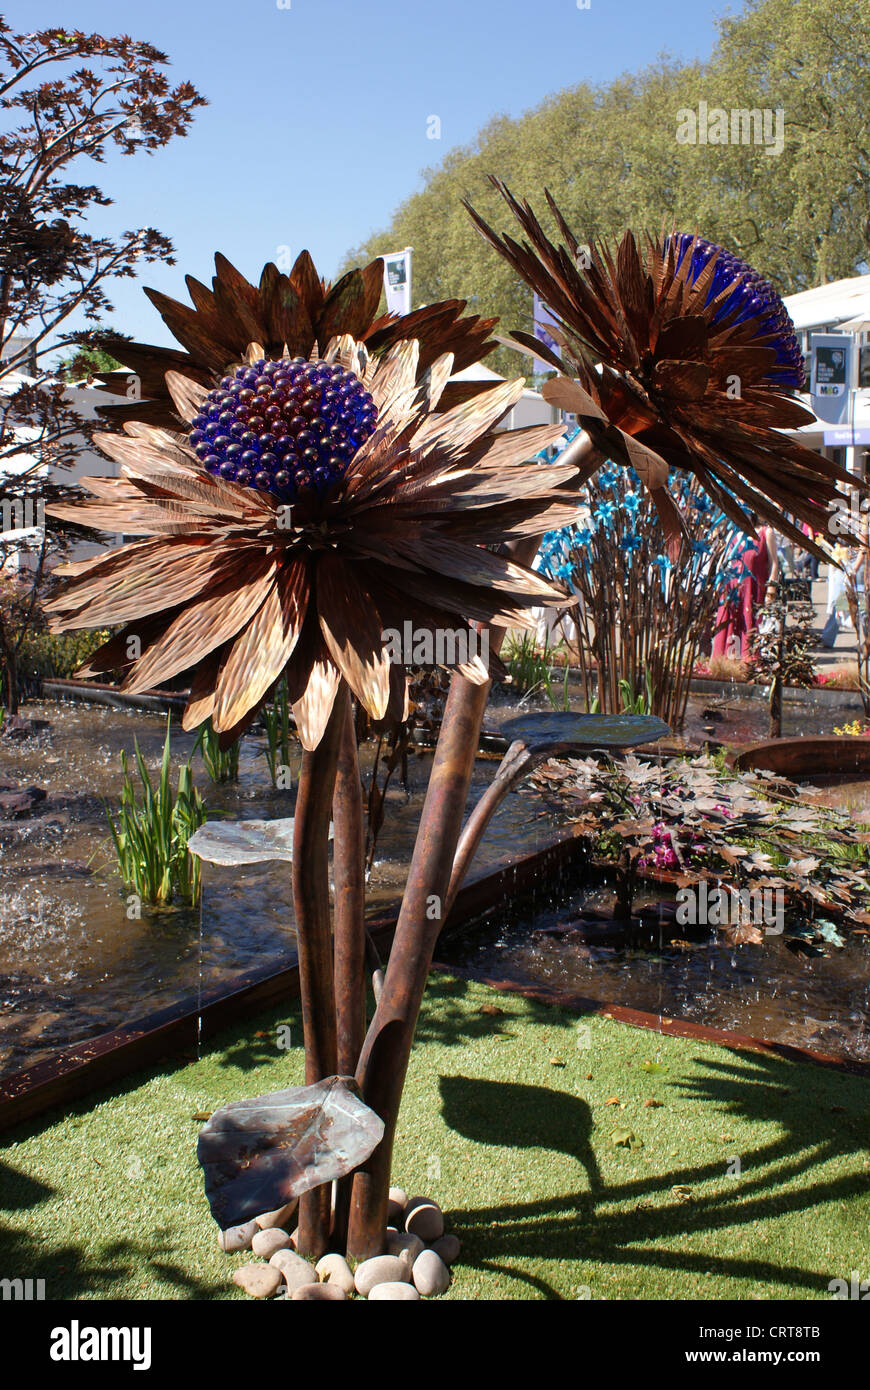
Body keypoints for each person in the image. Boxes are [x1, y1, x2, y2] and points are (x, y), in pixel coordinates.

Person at [711, 516, 779, 661]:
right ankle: (727, 665)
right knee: (729, 627)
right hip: (732, 590)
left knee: (750, 625)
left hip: (753, 589)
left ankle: (749, 664)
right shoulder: (733, 532)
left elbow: (774, 564)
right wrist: (719, 585)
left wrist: (771, 590)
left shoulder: (766, 533)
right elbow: (724, 562)